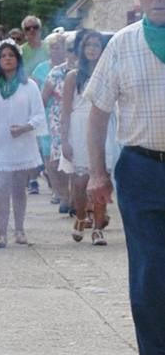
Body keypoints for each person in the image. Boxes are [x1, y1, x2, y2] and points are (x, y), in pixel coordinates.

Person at [86, 0, 165, 355]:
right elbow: (97, 112)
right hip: (141, 168)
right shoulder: (122, 44)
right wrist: (97, 172)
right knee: (150, 267)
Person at [0, 42, 47, 249]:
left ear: (18, 59)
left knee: (19, 189)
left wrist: (25, 127)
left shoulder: (28, 85)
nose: (7, 59)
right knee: (1, 189)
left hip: (22, 143)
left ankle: (20, 230)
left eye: (11, 55)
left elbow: (40, 115)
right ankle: (1, 233)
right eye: (3, 56)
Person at [60, 29, 110, 245]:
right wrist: (64, 140)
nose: (92, 49)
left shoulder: (108, 73)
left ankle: (98, 228)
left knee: (100, 179)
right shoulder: (73, 76)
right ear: (83, 49)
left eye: (96, 45)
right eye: (89, 45)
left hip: (102, 127)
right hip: (79, 128)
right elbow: (65, 110)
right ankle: (81, 217)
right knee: (80, 183)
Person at [34, 31, 71, 210]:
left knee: (67, 154)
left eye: (59, 47)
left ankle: (70, 194)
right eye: (52, 48)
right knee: (50, 156)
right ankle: (59, 192)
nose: (55, 51)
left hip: (69, 115)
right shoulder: (43, 69)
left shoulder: (72, 68)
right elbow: (36, 94)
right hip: (49, 116)